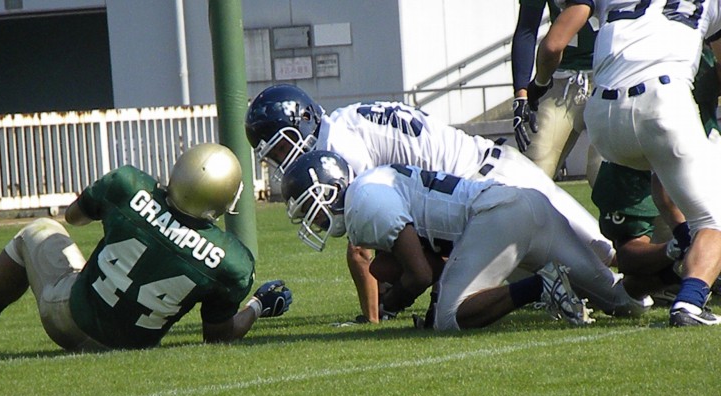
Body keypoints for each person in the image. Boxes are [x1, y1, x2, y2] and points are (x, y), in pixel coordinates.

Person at [245, 84, 616, 324]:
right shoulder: (345, 121)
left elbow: (364, 246)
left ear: (304, 119)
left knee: (599, 259)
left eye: (280, 147)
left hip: (485, 190)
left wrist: (377, 314)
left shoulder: (339, 148)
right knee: (600, 262)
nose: (282, 159)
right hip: (492, 169)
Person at [0, 143, 293, 354]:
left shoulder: (129, 185)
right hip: (133, 345)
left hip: (70, 319)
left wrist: (130, 215)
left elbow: (73, 217)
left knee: (39, 230)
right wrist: (258, 306)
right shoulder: (233, 261)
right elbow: (218, 336)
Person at [280, 150, 648, 332]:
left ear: (328, 189)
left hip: (496, 217)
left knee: (450, 316)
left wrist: (390, 305)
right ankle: (677, 255)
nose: (312, 219)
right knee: (624, 303)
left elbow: (420, 274)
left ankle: (540, 285)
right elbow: (436, 260)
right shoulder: (373, 183)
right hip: (523, 203)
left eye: (308, 207)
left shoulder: (363, 202)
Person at [530, 0, 721, 326]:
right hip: (665, 104)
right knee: (713, 222)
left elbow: (551, 45)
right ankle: (690, 302)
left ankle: (685, 244)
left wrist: (538, 85)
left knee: (662, 170)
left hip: (603, 119)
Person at [511, 0, 602, 185]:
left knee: (605, 175)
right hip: (562, 82)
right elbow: (527, 28)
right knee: (533, 173)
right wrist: (521, 94)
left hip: (608, 77)